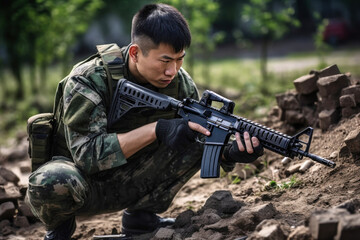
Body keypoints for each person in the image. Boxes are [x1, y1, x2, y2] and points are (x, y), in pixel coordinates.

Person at [25, 3, 263, 240]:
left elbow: (200, 139)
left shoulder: (180, 83)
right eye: (165, 60)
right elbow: (87, 156)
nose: (172, 70)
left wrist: (231, 153)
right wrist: (157, 129)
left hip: (133, 181)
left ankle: (141, 219)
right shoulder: (88, 80)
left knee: (191, 132)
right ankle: (60, 229)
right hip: (83, 187)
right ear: (135, 53)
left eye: (180, 59)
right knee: (52, 181)